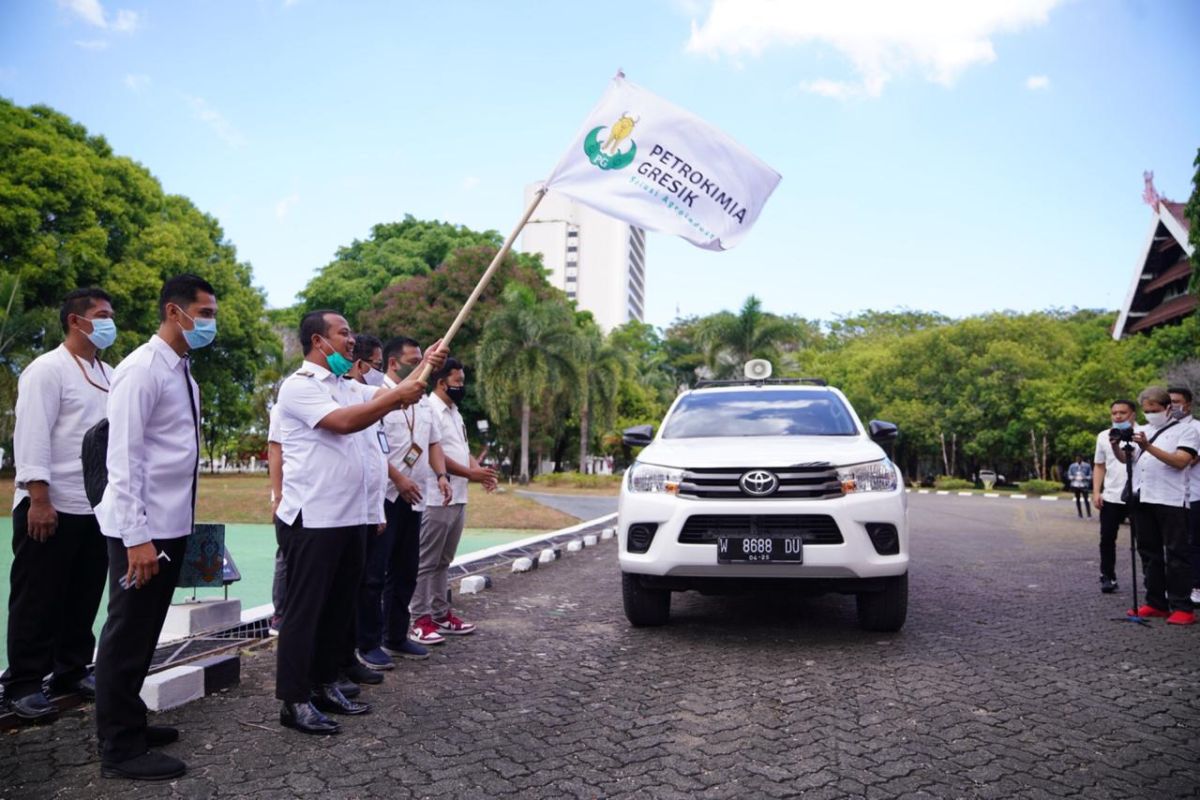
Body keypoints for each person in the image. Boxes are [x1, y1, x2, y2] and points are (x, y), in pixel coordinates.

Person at [273, 310, 442, 735]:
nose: (352, 340)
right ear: (318, 341)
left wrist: (428, 365)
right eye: (343, 333)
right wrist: (398, 394)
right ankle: (294, 700)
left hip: (350, 518)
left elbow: (389, 397)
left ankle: (325, 683)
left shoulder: (348, 387)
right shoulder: (299, 387)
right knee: (305, 613)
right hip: (314, 518)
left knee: (337, 611)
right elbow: (346, 424)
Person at [93, 274, 217, 780]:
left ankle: (131, 720)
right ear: (174, 311)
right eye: (204, 313)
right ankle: (119, 749)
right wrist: (136, 536)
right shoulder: (142, 369)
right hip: (141, 530)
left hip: (170, 524)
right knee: (126, 633)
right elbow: (123, 459)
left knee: (144, 632)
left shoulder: (180, 369)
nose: (211, 323)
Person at [3, 289, 115, 722]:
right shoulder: (46, 370)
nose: (109, 323)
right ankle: (25, 683)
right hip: (50, 504)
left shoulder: (108, 373)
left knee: (83, 595)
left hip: (93, 506)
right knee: (38, 596)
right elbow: (30, 435)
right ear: (75, 320)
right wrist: (39, 499)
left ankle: (71, 670)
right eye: (101, 315)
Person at [358, 337, 452, 663]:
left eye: (421, 359)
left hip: (416, 496)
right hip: (385, 495)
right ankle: (368, 643)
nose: (421, 366)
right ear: (394, 363)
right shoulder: (377, 396)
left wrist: (441, 476)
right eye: (415, 360)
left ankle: (396, 636)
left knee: (406, 570)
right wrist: (398, 478)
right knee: (374, 573)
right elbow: (370, 444)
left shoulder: (423, 401)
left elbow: (434, 443)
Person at [409, 358, 497, 644]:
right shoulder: (429, 409)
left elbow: (462, 450)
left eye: (462, 381)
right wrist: (472, 472)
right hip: (436, 496)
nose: (461, 386)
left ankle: (440, 614)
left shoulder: (455, 412)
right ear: (441, 382)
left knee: (444, 561)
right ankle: (419, 619)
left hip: (458, 495)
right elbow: (437, 455)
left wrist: (479, 473)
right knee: (427, 561)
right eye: (457, 382)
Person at [1125, 386, 1200, 625]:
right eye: (1146, 410)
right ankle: (1156, 602)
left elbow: (1181, 462)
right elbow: (1128, 460)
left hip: (1172, 499)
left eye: (1154, 409)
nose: (1150, 414)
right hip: (1144, 496)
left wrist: (1149, 447)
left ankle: (1182, 606)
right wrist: (1119, 446)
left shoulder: (1187, 431)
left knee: (1177, 553)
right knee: (1149, 552)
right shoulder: (1142, 430)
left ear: (1168, 407)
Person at [1092, 400, 1138, 594]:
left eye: (1123, 412)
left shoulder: (1144, 434)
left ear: (1133, 414)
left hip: (1138, 495)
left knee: (1146, 541)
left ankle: (1153, 581)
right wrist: (1096, 491)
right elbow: (1099, 465)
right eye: (1114, 413)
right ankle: (1108, 576)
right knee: (1107, 539)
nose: (1118, 416)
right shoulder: (1104, 436)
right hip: (1111, 495)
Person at [1166, 387, 1200, 605]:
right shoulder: (1165, 429)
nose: (1173, 406)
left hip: (1195, 493)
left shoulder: (1197, 428)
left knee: (1194, 543)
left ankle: (1196, 586)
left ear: (1188, 404)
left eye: (1177, 402)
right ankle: (1176, 586)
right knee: (1174, 544)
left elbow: (1187, 460)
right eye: (1169, 402)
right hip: (1171, 496)